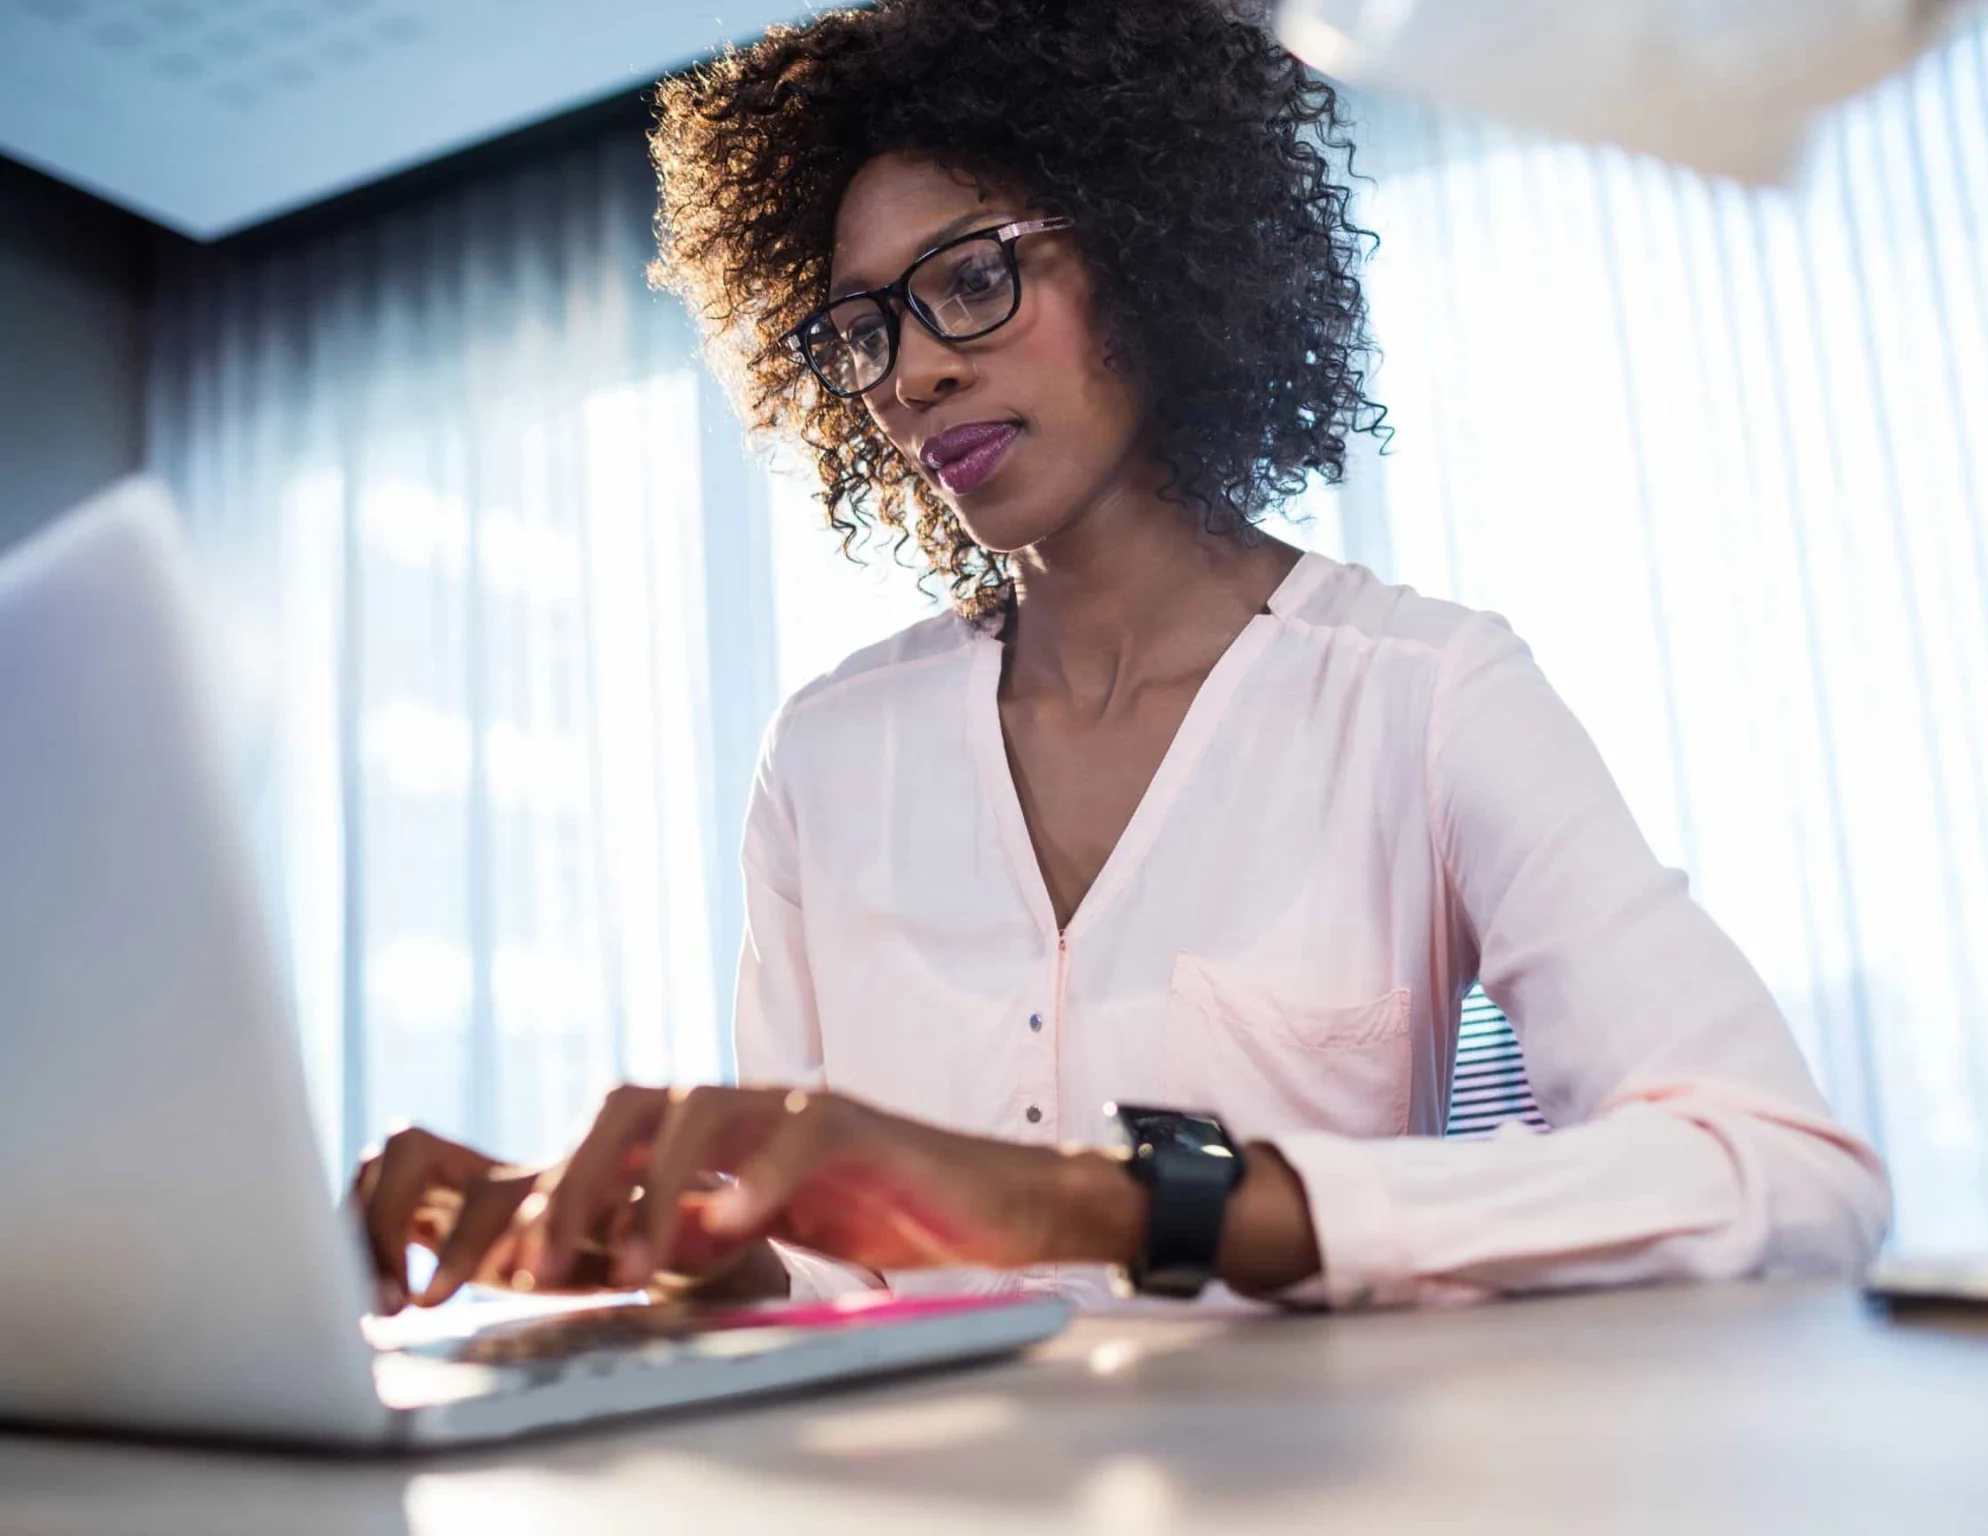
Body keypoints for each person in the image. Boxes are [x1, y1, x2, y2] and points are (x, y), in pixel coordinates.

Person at [352, 0, 1888, 1318]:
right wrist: (617, 1251)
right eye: (863, 331)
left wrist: (1117, 1201)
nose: (914, 371)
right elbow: (826, 1290)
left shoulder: (1423, 694)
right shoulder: (828, 755)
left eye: (971, 277)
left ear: (1155, 250)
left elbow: (1782, 1173)